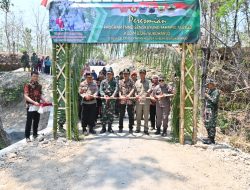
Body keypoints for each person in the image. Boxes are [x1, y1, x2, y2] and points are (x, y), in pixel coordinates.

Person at [23, 71, 47, 142]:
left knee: (36, 120)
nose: (35, 78)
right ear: (31, 76)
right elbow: (25, 96)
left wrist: (44, 100)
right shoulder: (27, 85)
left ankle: (35, 134)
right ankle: (27, 137)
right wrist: (33, 102)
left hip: (37, 105)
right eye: (34, 76)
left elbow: (40, 95)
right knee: (29, 121)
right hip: (30, 106)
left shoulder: (39, 86)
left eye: (36, 76)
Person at [99, 67, 118, 134]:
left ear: (112, 74)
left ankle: (110, 128)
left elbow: (116, 89)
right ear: (106, 74)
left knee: (111, 114)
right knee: (104, 114)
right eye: (107, 74)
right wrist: (103, 95)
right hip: (104, 100)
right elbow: (100, 90)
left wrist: (113, 95)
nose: (108, 75)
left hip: (112, 100)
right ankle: (103, 128)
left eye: (110, 74)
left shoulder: (115, 82)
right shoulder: (103, 82)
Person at [118, 68, 135, 133]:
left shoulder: (131, 81)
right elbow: (119, 90)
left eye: (127, 74)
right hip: (122, 99)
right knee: (121, 114)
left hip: (129, 99)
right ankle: (120, 127)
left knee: (130, 114)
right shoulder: (120, 81)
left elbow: (133, 89)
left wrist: (129, 95)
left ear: (129, 74)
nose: (125, 75)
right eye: (124, 74)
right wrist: (120, 96)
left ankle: (130, 128)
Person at [203, 79, 220, 144]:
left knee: (212, 124)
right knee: (207, 123)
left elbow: (214, 101)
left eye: (208, 84)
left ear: (211, 84)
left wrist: (208, 96)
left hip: (212, 110)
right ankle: (209, 137)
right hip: (208, 109)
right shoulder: (210, 91)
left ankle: (212, 139)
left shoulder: (216, 91)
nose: (207, 86)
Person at [134, 69, 150, 135]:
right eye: (140, 73)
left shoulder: (148, 82)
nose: (142, 74)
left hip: (146, 100)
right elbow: (134, 90)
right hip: (138, 101)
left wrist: (145, 94)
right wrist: (136, 95)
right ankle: (138, 128)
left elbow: (150, 89)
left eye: (143, 73)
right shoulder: (137, 82)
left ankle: (146, 129)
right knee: (138, 115)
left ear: (145, 74)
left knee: (146, 116)